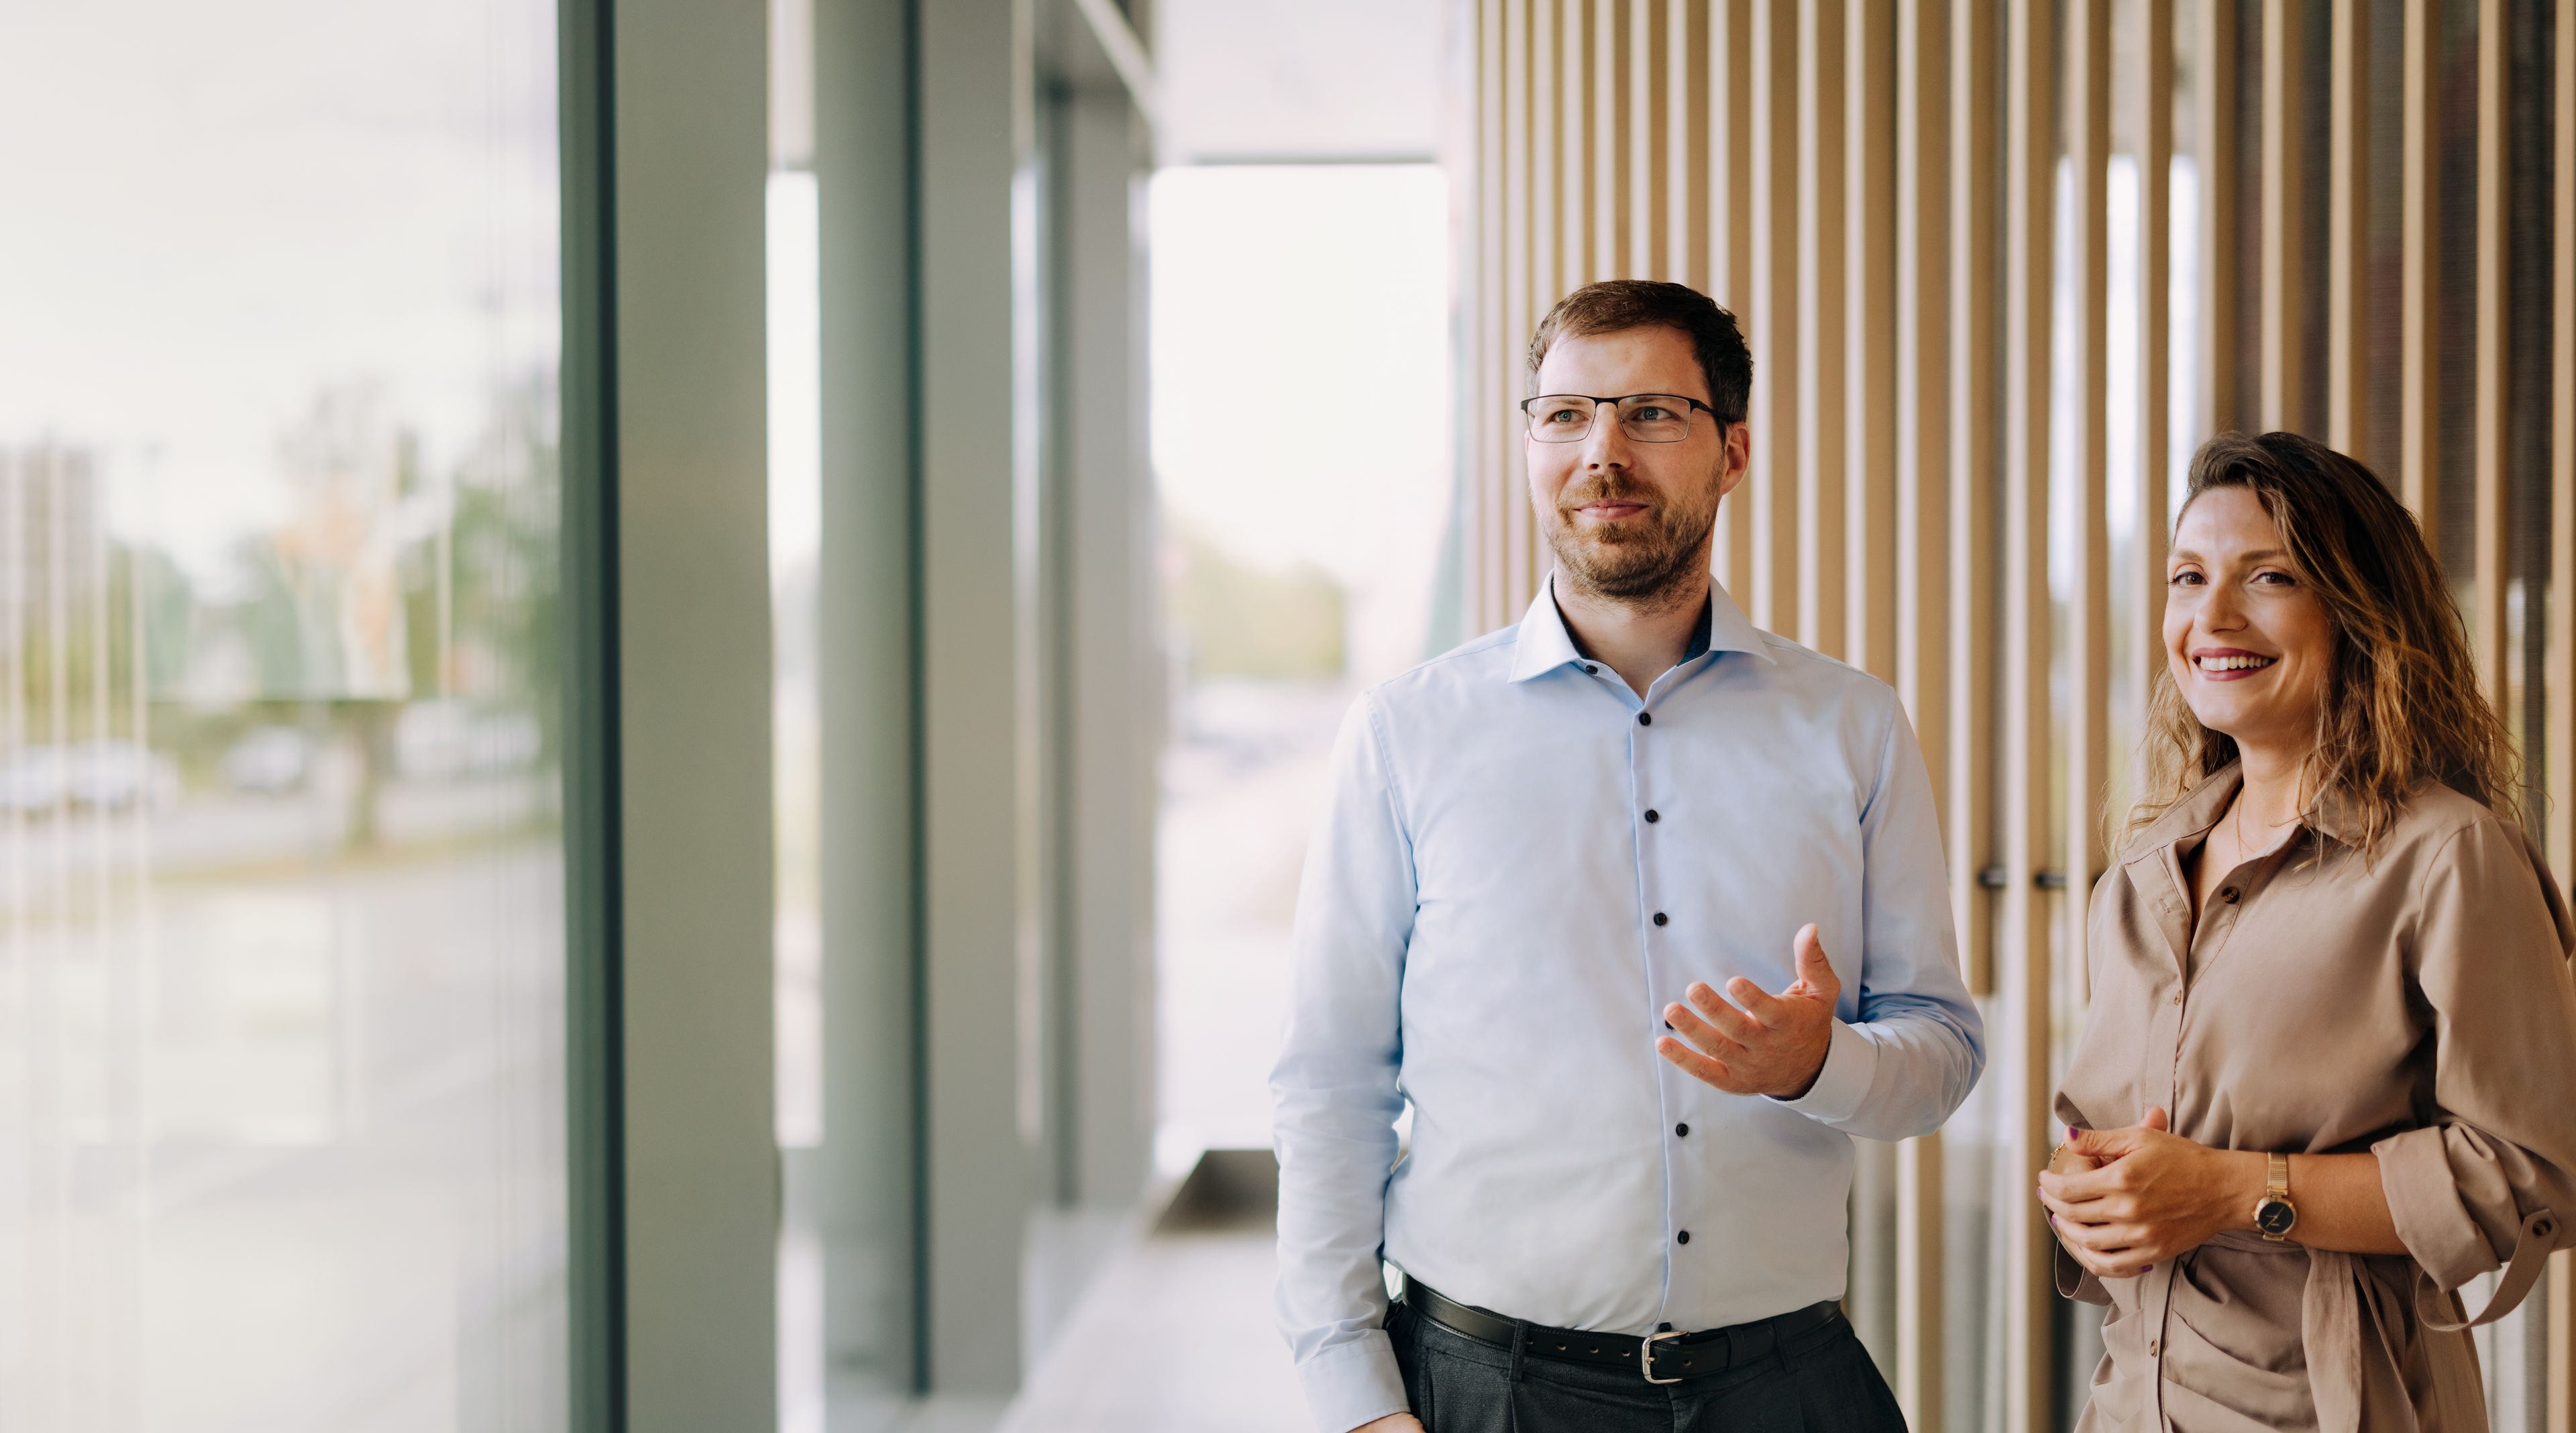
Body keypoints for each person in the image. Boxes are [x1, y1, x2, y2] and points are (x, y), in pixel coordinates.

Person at [1270, 277, 1986, 1433]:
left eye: (1651, 413)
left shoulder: (1852, 725)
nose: (1601, 452)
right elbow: (1330, 1083)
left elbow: (1942, 1052)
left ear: (1733, 451)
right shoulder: (1409, 734)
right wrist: (1352, 1395)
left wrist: (1821, 1063)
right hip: (1487, 1391)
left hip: (1787, 1389)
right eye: (1565, 415)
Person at [2039, 431, 2576, 1433]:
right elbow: (2101, 1126)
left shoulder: (2448, 855)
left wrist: (2234, 1193)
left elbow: (2533, 1173)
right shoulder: (2144, 870)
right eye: (2188, 577)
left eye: (2270, 577)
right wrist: (2087, 1186)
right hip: (2131, 1404)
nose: (2213, 616)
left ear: (2358, 612)